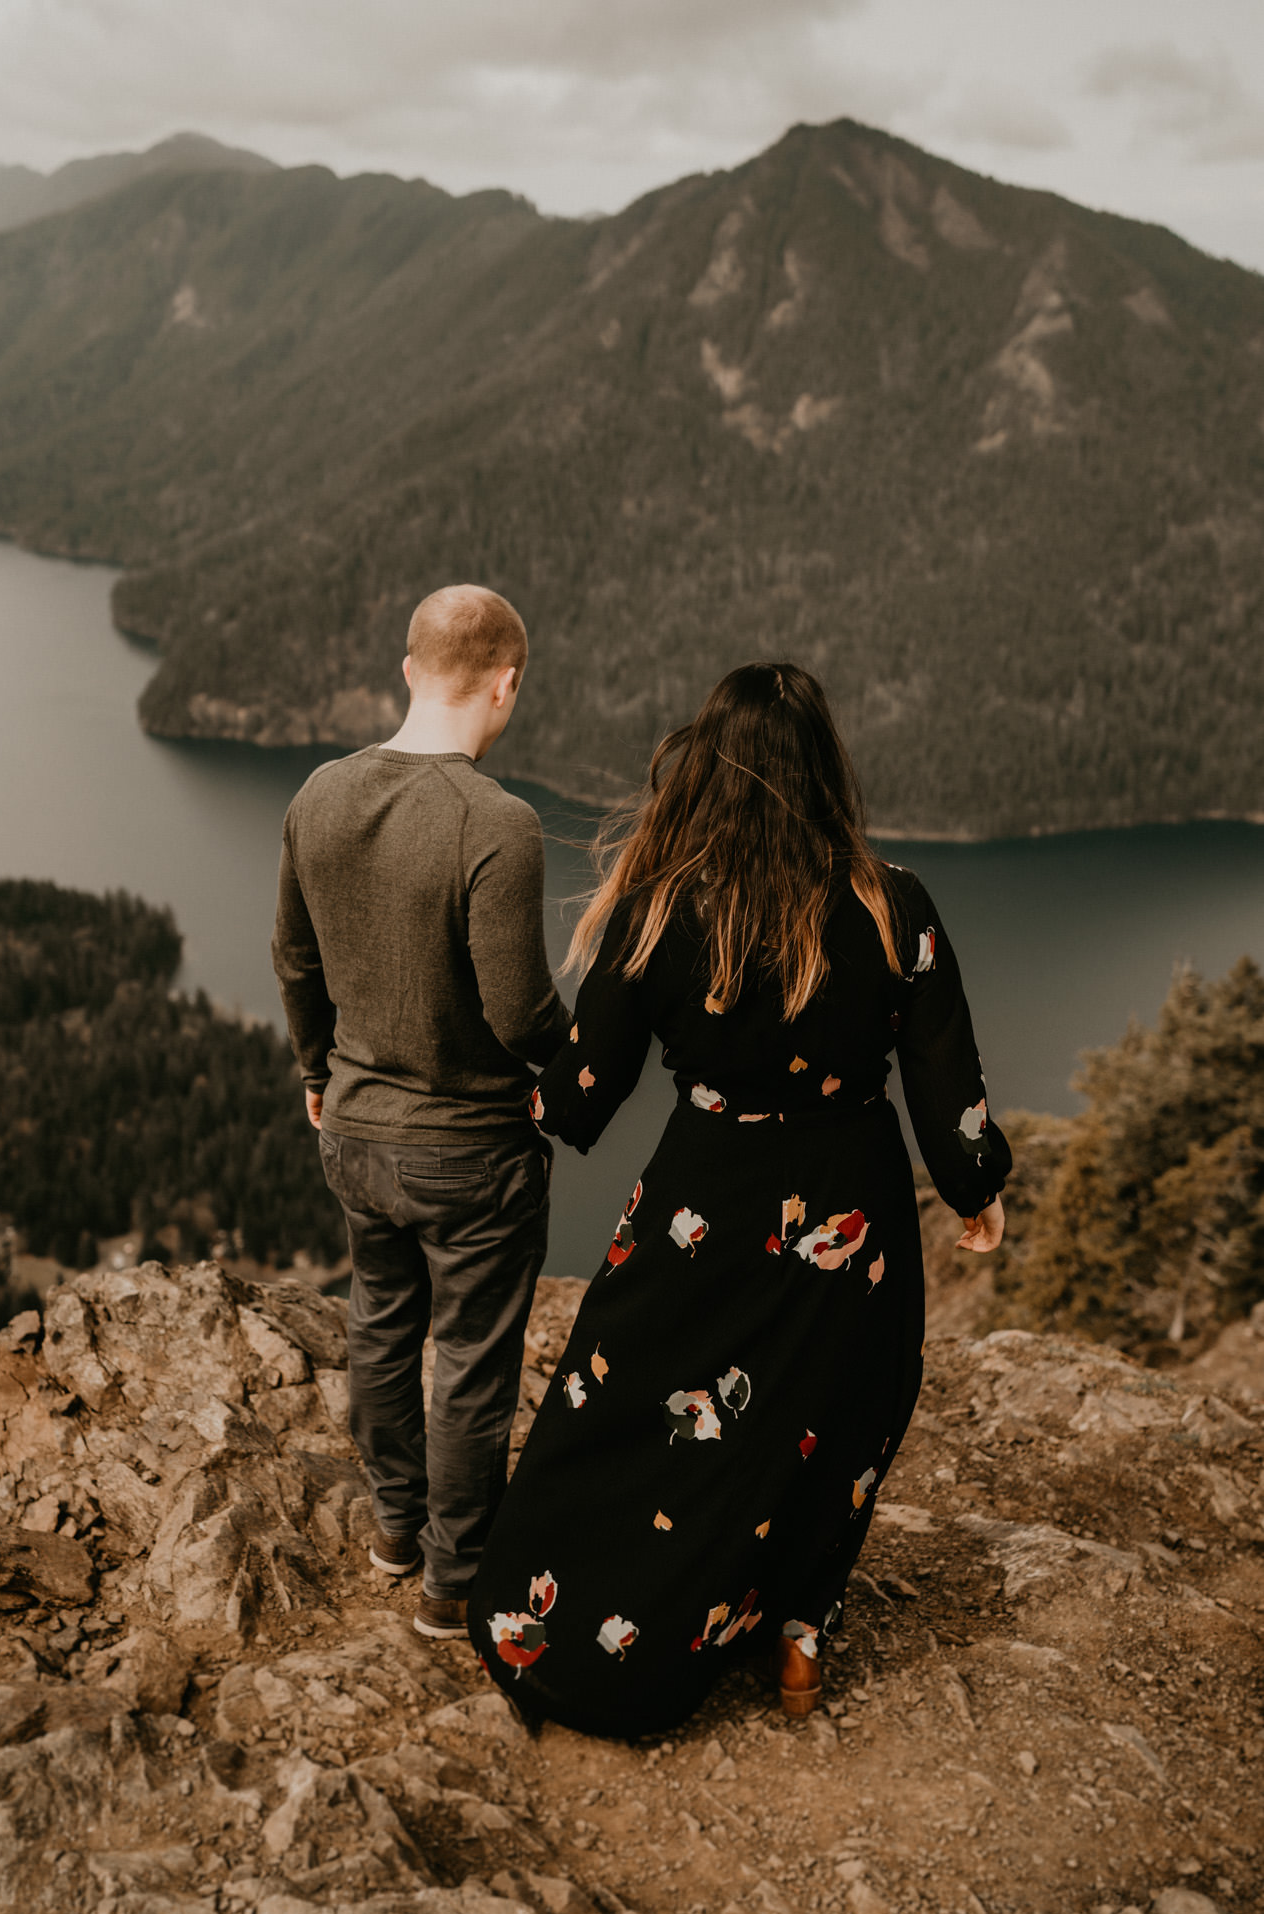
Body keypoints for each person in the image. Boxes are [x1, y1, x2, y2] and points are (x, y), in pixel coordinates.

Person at [467, 661, 1009, 1734]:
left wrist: (500, 1110)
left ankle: (587, 1630)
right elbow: (949, 1089)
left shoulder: (660, 901)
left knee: (633, 1407)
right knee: (826, 1417)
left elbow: (581, 1091)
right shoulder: (893, 902)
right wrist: (974, 1189)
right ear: (824, 770)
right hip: (850, 1206)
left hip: (701, 1202)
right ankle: (797, 1636)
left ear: (706, 769)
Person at [272, 585, 570, 1640]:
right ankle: (454, 1577)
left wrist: (318, 1070)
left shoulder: (319, 794)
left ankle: (394, 1530)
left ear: (407, 668)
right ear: (507, 681)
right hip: (471, 1151)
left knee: (382, 1330)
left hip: (354, 1131)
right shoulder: (498, 823)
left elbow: (295, 958)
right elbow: (518, 1006)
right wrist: (565, 1065)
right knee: (473, 1359)